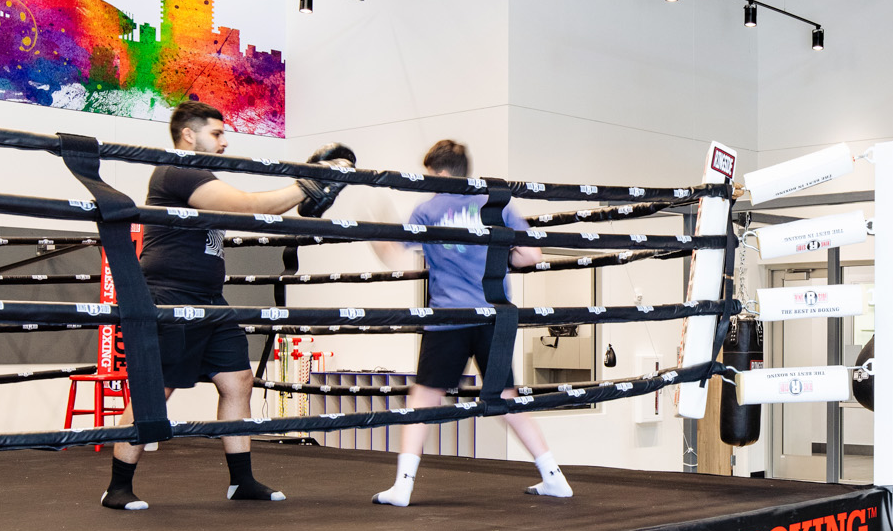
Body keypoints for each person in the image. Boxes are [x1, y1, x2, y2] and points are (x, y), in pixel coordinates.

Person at [102, 100, 351, 510]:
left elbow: (256, 211)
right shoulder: (178, 168)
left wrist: (306, 188)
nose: (224, 141)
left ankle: (241, 481)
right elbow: (246, 208)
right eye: (216, 133)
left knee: (237, 381)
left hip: (211, 302)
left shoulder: (199, 175)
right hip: (169, 298)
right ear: (188, 134)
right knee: (154, 392)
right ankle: (118, 487)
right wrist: (310, 182)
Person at [369, 139, 571, 507]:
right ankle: (554, 476)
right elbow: (531, 255)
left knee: (423, 402)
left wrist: (377, 228)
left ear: (439, 173)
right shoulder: (496, 203)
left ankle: (403, 485)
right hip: (493, 317)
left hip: (448, 320)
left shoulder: (429, 208)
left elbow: (393, 255)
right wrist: (496, 255)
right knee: (506, 398)